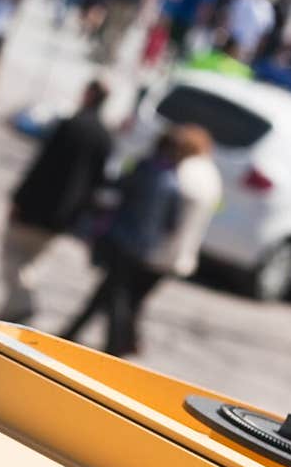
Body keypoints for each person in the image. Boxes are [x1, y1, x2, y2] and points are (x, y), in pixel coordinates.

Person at [62, 122, 221, 356]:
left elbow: (165, 216)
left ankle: (115, 345)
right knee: (120, 296)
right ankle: (110, 340)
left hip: (152, 250)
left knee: (120, 296)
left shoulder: (175, 174)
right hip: (175, 253)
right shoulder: (208, 175)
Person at [0, 80, 113, 322]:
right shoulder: (105, 137)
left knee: (13, 256)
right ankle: (8, 312)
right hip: (66, 214)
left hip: (37, 205)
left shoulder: (71, 125)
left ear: (89, 94)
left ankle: (22, 303)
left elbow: (43, 165)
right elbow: (98, 182)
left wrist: (19, 198)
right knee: (31, 262)